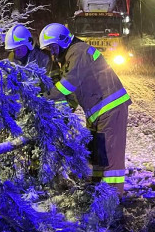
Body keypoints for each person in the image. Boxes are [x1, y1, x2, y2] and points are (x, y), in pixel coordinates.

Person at [39, 22, 131, 196]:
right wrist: (63, 113)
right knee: (97, 154)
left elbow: (68, 85)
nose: (51, 52)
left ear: (62, 41)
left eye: (52, 47)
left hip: (110, 109)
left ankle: (112, 199)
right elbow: (74, 94)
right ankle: (96, 190)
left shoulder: (78, 51)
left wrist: (44, 99)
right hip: (99, 112)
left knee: (111, 157)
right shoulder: (72, 56)